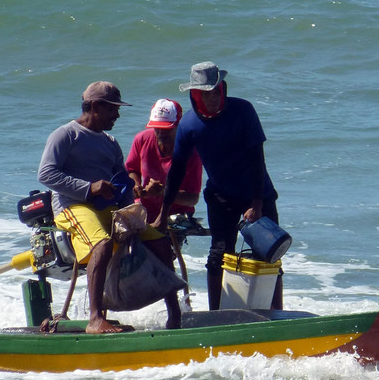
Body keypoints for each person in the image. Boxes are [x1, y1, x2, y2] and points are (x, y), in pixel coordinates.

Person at [38, 81, 182, 334]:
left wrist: (137, 199)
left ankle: (175, 317)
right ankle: (95, 319)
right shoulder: (65, 135)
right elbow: (47, 174)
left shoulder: (111, 142)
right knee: (101, 244)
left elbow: (121, 182)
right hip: (73, 207)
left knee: (158, 241)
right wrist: (88, 187)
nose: (117, 114)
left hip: (108, 208)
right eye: (112, 108)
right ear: (94, 107)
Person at [154, 62, 282, 310]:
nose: (213, 98)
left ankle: (276, 313)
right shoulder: (189, 125)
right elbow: (177, 170)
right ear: (195, 94)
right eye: (206, 93)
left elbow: (257, 159)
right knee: (219, 256)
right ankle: (216, 315)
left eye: (216, 91)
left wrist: (256, 204)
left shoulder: (242, 111)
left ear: (223, 88)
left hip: (258, 193)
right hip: (221, 197)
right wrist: (163, 213)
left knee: (269, 254)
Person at [125, 99, 203, 223]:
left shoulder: (191, 151)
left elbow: (192, 198)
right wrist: (136, 185)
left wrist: (163, 192)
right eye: (157, 128)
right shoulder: (142, 139)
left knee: (161, 240)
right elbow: (132, 170)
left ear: (179, 126)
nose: (161, 133)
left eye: (166, 129)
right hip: (144, 208)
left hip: (176, 214)